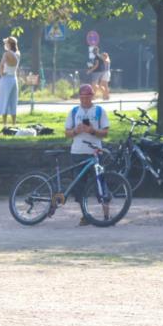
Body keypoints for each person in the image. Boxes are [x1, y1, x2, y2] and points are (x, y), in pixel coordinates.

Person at [64, 84, 110, 226]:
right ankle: (85, 215)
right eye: (82, 98)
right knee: (80, 186)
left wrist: (92, 131)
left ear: (92, 97)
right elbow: (66, 133)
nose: (84, 100)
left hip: (95, 152)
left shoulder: (99, 111)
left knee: (100, 183)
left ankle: (107, 215)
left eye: (87, 97)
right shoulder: (74, 112)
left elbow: (106, 132)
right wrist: (75, 131)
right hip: (77, 152)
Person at [0, 36, 20, 128]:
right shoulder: (18, 53)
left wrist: (2, 74)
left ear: (9, 44)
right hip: (14, 78)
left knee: (4, 100)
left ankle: (5, 124)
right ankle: (14, 123)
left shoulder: (6, 54)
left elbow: (1, 65)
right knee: (13, 101)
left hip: (6, 79)